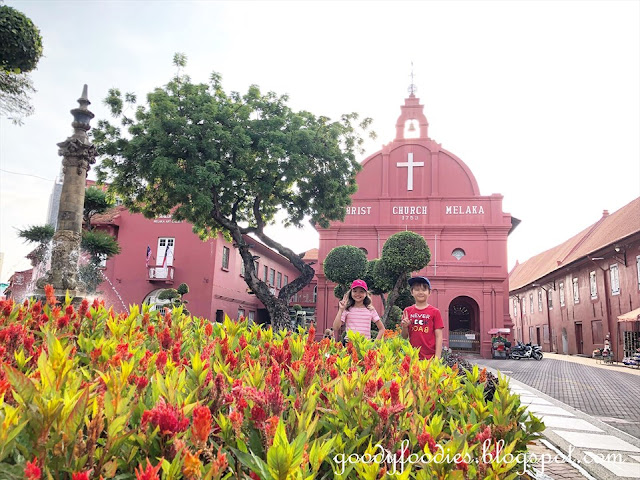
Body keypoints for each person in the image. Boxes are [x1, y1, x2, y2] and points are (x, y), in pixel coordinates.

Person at [401, 276, 444, 360]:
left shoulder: (435, 312)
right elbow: (404, 336)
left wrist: (437, 357)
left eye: (424, 290)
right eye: (417, 289)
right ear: (412, 292)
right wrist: (405, 326)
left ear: (429, 292)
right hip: (413, 356)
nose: (420, 292)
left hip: (430, 357)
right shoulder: (407, 311)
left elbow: (439, 336)